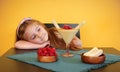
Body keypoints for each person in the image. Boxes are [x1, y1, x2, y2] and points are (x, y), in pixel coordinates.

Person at [15, 17, 82, 50]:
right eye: (33, 37)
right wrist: (42, 45)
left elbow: (79, 44)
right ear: (28, 41)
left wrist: (72, 38)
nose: (39, 35)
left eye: (38, 29)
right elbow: (18, 44)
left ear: (42, 26)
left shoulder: (55, 32)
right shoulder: (32, 45)